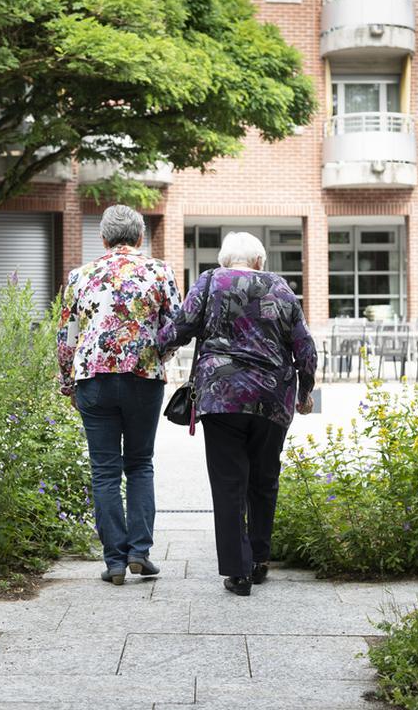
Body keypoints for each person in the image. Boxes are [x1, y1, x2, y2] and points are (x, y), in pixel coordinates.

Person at [158, 231, 317, 597]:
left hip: (222, 396)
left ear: (225, 260)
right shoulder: (279, 287)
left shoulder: (211, 281)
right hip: (272, 397)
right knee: (264, 479)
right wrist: (305, 391)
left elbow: (182, 326)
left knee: (229, 483)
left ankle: (238, 571)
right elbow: (304, 346)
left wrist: (158, 348)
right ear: (260, 261)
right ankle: (259, 560)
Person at [56, 206, 181, 586]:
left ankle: (114, 561)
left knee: (104, 470)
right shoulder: (160, 271)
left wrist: (67, 384)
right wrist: (158, 356)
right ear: (140, 237)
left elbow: (65, 338)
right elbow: (175, 327)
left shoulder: (81, 275)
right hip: (144, 377)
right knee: (140, 463)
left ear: (103, 238)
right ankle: (139, 552)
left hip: (93, 378)